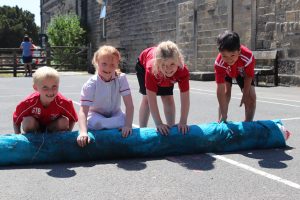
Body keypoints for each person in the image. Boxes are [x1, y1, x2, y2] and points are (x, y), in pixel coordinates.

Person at [77, 45, 134, 147]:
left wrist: (128, 125)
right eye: (104, 64)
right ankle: (111, 126)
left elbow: (129, 106)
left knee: (123, 120)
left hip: (115, 114)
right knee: (96, 123)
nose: (108, 68)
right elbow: (83, 111)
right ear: (97, 63)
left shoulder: (121, 79)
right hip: (96, 116)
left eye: (112, 65)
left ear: (117, 64)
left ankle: (114, 125)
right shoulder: (91, 84)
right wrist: (83, 132)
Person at [136, 40, 190, 135]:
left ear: (178, 61)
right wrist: (159, 123)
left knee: (168, 98)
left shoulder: (182, 70)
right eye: (164, 65)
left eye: (172, 64)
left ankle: (171, 127)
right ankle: (142, 129)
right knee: (147, 100)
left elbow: (185, 98)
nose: (168, 69)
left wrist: (183, 121)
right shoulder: (151, 69)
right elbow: (152, 99)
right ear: (158, 63)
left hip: (163, 70)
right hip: (144, 66)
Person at [13, 66, 78, 134]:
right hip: (35, 128)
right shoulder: (28, 103)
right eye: (45, 87)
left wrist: (68, 134)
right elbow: (16, 120)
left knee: (64, 121)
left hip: (52, 128)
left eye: (54, 86)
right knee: (28, 121)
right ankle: (34, 140)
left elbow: (72, 119)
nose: (50, 92)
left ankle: (53, 140)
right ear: (35, 88)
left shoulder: (63, 102)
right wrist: (17, 137)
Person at [214, 30, 256, 123]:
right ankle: (221, 121)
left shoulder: (248, 56)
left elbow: (249, 76)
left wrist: (245, 94)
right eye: (224, 56)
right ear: (220, 53)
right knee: (225, 93)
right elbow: (220, 89)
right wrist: (224, 114)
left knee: (251, 97)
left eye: (232, 55)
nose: (229, 59)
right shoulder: (219, 62)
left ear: (239, 51)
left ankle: (248, 123)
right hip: (227, 71)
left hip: (242, 72)